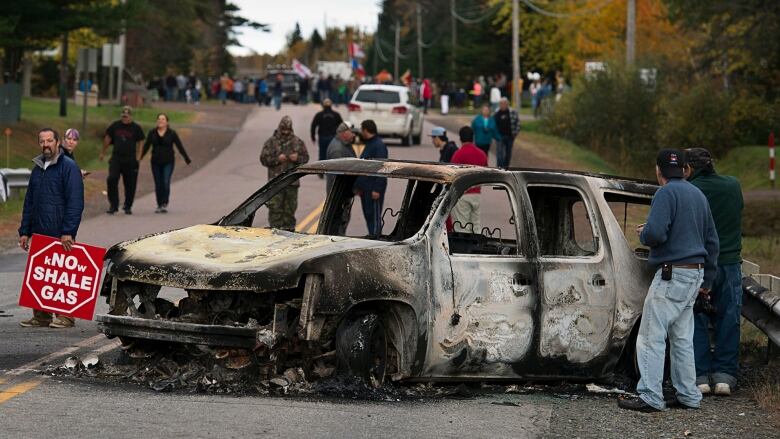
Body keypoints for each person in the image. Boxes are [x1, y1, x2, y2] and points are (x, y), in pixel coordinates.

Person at [618, 149, 719, 413]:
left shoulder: (665, 193)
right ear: (685, 169)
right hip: (694, 273)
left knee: (651, 336)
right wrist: (707, 279)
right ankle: (688, 395)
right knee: (682, 337)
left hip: (672, 273)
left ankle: (651, 396)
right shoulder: (698, 195)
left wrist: (644, 231)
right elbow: (712, 241)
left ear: (658, 170)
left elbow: (656, 235)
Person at [685, 148, 744, 397]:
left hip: (700, 264)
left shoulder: (690, 190)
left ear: (689, 168)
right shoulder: (733, 185)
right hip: (730, 263)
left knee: (696, 319)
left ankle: (699, 376)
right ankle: (724, 377)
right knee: (729, 319)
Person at [18, 128, 84, 329]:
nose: (46, 144)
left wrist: (68, 231)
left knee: (61, 274)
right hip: (38, 230)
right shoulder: (37, 168)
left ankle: (66, 316)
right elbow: (30, 202)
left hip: (59, 231)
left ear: (57, 143)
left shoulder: (68, 167)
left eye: (49, 141)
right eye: (42, 141)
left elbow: (75, 202)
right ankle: (42, 316)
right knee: (40, 274)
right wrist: (24, 231)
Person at [260, 116, 309, 230]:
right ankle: (274, 233)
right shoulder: (271, 142)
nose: (286, 132)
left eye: (288, 129)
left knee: (289, 211)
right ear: (280, 127)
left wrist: (297, 158)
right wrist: (277, 159)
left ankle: (289, 232)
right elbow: (263, 159)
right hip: (275, 183)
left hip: (292, 183)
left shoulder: (297, 142)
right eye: (284, 129)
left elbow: (305, 158)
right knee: (275, 210)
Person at [140, 113, 192, 213]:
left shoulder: (171, 133)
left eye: (163, 119)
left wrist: (186, 158)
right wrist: (139, 158)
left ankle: (164, 202)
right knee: (158, 183)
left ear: (167, 122)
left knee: (165, 181)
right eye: (159, 119)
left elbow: (179, 146)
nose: (160, 121)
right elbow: (146, 146)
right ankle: (159, 204)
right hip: (155, 162)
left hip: (168, 161)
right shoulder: (152, 133)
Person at [100, 106, 145, 215]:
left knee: (130, 183)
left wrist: (139, 156)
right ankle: (113, 205)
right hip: (116, 158)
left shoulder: (136, 128)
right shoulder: (115, 126)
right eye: (123, 116)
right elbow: (107, 138)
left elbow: (141, 141)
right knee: (112, 179)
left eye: (127, 116)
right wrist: (103, 152)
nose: (125, 118)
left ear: (131, 116)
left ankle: (127, 206)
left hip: (130, 159)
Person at [449, 126, 488, 233]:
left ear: (460, 138)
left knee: (462, 228)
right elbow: (485, 173)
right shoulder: (482, 154)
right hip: (477, 194)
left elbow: (453, 175)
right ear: (473, 138)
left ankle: (463, 249)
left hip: (463, 195)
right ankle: (477, 249)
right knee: (476, 227)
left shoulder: (458, 154)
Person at [354, 120, 388, 238]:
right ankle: (372, 235)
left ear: (366, 130)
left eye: (362, 130)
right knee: (368, 215)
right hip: (365, 188)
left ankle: (376, 238)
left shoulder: (379, 146)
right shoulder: (370, 144)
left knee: (374, 216)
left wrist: (377, 189)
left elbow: (382, 168)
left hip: (373, 189)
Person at [310, 99, 343, 164]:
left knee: (322, 154)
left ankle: (321, 170)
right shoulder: (336, 114)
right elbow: (342, 126)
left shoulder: (319, 115)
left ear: (323, 105)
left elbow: (313, 126)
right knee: (332, 154)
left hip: (322, 137)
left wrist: (313, 137)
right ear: (331, 105)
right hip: (333, 137)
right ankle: (331, 170)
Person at [326, 122, 356, 192]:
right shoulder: (337, 150)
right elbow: (336, 175)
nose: (353, 135)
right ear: (344, 133)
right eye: (351, 132)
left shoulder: (345, 144)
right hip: (338, 192)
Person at [493, 98, 520, 168]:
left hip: (510, 136)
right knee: (499, 153)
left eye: (504, 103)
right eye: (501, 104)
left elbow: (518, 123)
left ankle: (506, 167)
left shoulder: (512, 112)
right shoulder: (496, 113)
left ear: (507, 104)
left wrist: (515, 133)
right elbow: (493, 124)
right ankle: (499, 167)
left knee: (508, 153)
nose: (503, 105)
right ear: (499, 105)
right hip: (499, 136)